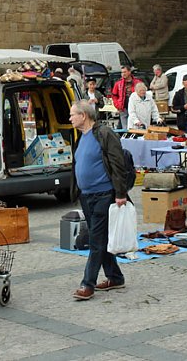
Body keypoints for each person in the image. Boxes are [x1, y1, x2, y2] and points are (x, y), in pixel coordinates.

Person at [68, 100, 127, 301]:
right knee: (99, 237)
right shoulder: (82, 136)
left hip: (104, 194)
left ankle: (88, 284)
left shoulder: (104, 134)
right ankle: (115, 277)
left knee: (96, 240)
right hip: (87, 195)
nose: (70, 118)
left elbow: (118, 164)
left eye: (72, 114)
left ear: (83, 116)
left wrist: (120, 193)